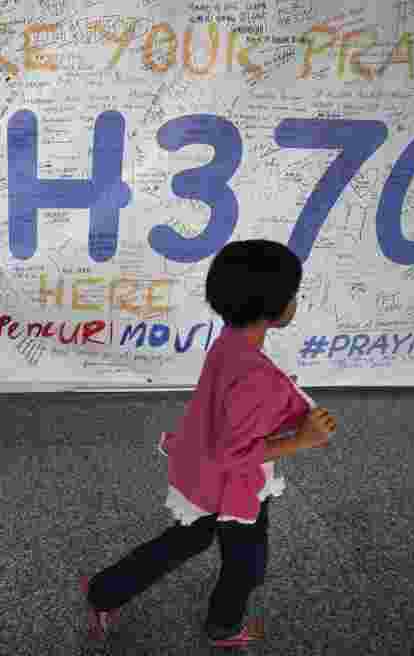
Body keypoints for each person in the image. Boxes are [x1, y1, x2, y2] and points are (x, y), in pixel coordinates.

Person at [81, 240, 338, 647]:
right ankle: (224, 627)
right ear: (274, 308)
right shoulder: (254, 373)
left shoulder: (229, 342)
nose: (295, 302)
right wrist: (302, 439)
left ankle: (104, 592)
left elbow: (230, 421)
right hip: (231, 485)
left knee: (190, 539)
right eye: (293, 294)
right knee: (248, 564)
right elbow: (233, 453)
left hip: (200, 473)